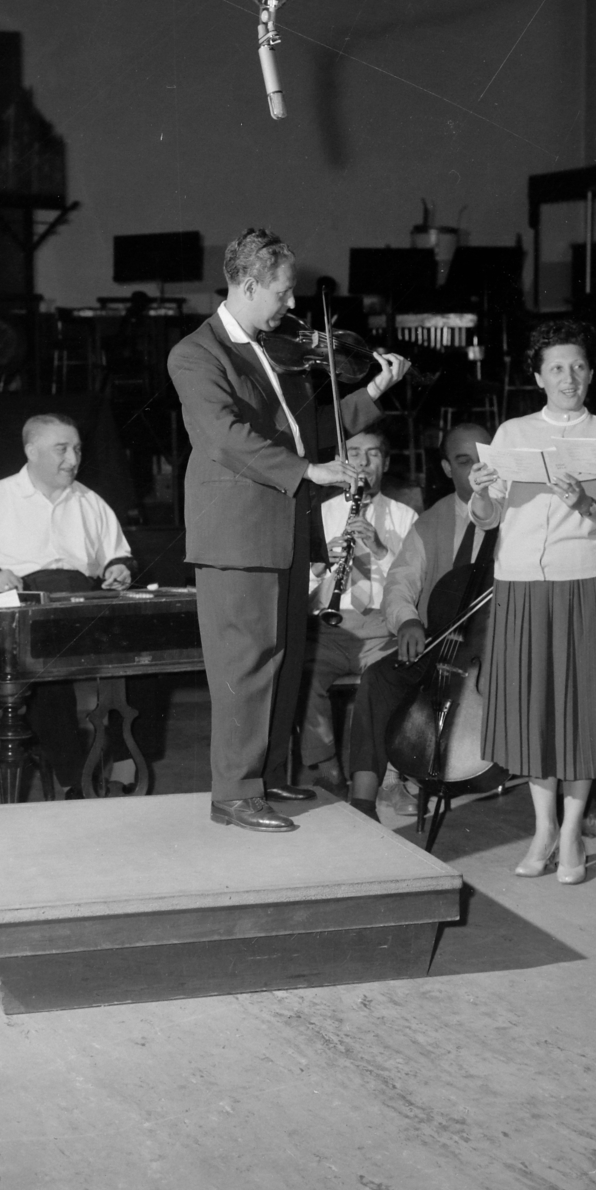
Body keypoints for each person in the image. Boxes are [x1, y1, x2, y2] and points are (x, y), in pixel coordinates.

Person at [167, 227, 409, 833]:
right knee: (244, 663)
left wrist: (373, 390)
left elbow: (312, 430)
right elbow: (223, 437)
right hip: (237, 533)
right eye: (283, 291)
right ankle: (234, 794)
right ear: (247, 285)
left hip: (281, 527)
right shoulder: (196, 354)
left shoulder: (273, 351)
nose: (292, 305)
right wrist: (309, 471)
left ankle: (269, 774)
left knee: (282, 658)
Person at [348, 421, 596, 849]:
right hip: (444, 646)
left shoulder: (525, 508)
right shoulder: (431, 522)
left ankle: (586, 811)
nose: (477, 469)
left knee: (557, 698)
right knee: (380, 677)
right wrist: (406, 619)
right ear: (448, 468)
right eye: (465, 461)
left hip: (509, 650)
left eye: (486, 459)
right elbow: (400, 582)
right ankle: (362, 801)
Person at [467, 321, 596, 884]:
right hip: (517, 585)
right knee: (534, 708)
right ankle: (542, 827)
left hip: (581, 581)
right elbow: (489, 516)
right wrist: (477, 490)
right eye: (557, 368)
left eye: (579, 366)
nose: (570, 377)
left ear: (591, 373)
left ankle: (572, 833)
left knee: (580, 708)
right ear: (538, 376)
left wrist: (586, 502)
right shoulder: (512, 433)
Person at [0, 413, 135, 795]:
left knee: (144, 657)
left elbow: (119, 555)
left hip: (83, 600)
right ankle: (77, 780)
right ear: (31, 451)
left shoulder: (90, 501)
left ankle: (125, 761)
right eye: (62, 449)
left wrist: (119, 568)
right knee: (43, 670)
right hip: (27, 605)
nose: (73, 459)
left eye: (76, 449)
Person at [298, 425, 419, 792]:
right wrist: (319, 565)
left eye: (374, 454)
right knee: (301, 679)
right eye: (354, 453)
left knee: (390, 680)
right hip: (330, 630)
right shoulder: (316, 514)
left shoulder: (405, 517)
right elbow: (296, 594)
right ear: (340, 461)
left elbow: (415, 584)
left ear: (385, 463)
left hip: (382, 628)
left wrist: (381, 551)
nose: (363, 463)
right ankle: (325, 766)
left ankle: (393, 775)